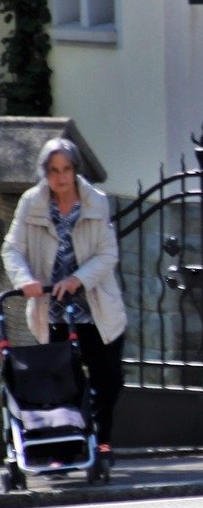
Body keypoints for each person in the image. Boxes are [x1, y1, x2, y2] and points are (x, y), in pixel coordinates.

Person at [2, 137, 128, 464]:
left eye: (67, 170)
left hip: (96, 307)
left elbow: (107, 253)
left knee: (108, 380)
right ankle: (65, 449)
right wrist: (24, 280)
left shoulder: (95, 202)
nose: (61, 178)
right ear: (45, 173)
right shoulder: (32, 202)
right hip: (53, 311)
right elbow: (12, 248)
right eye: (54, 171)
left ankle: (102, 441)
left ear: (75, 171)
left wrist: (77, 279)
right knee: (62, 384)